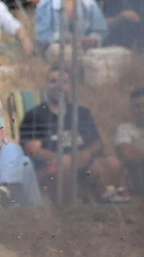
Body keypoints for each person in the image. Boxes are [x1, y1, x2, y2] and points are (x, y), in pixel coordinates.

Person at [19, 65, 122, 202]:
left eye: (63, 82)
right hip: (50, 168)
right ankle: (68, 212)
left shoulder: (81, 113)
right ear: (46, 85)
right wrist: (63, 157)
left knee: (112, 163)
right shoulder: (35, 115)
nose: (58, 86)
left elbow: (97, 143)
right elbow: (32, 150)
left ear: (70, 87)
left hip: (84, 168)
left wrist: (88, 153)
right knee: (65, 162)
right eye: (53, 81)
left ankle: (103, 206)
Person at [33, 0, 107, 56]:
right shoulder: (46, 2)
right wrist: (63, 38)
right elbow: (41, 35)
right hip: (56, 49)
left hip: (84, 49)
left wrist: (92, 39)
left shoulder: (88, 3)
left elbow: (101, 30)